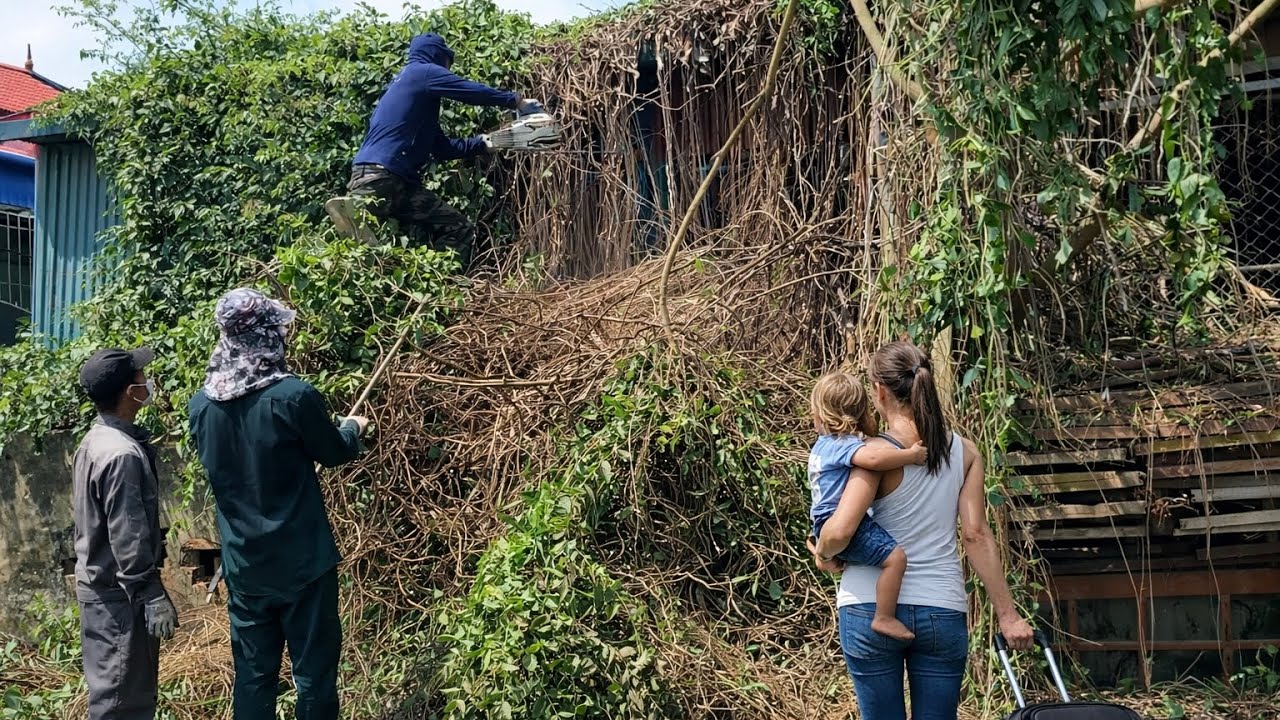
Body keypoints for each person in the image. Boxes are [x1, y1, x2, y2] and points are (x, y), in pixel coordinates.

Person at [807, 342, 1034, 720]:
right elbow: (976, 534)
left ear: (878, 391)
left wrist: (824, 553)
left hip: (867, 606)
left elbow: (841, 529)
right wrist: (1007, 615)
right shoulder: (964, 451)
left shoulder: (872, 454)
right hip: (941, 607)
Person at [187, 288, 370, 720]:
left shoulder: (201, 407)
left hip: (246, 568)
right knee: (314, 676)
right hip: (303, 564)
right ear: (267, 334)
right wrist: (353, 428)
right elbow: (334, 452)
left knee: (253, 677)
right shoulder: (293, 396)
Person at [336, 32, 542, 268]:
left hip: (380, 179)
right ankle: (442, 281)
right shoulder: (421, 72)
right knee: (366, 249)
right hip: (384, 178)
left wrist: (486, 143)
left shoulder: (409, 95)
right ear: (436, 56)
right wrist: (516, 101)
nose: (447, 69)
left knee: (456, 227)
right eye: (446, 62)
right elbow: (468, 91)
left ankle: (428, 285)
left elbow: (442, 149)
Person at [73, 347, 178, 720]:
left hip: (106, 593)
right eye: (140, 378)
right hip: (119, 599)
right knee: (122, 703)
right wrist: (150, 594)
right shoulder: (121, 455)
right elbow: (127, 534)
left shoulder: (97, 440)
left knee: (121, 696)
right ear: (128, 392)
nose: (146, 382)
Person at [807, 370, 927, 642]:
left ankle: (828, 556)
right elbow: (872, 460)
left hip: (824, 519)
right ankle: (884, 617)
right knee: (895, 559)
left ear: (822, 414)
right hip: (840, 521)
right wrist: (910, 455)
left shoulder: (824, 446)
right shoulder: (841, 445)